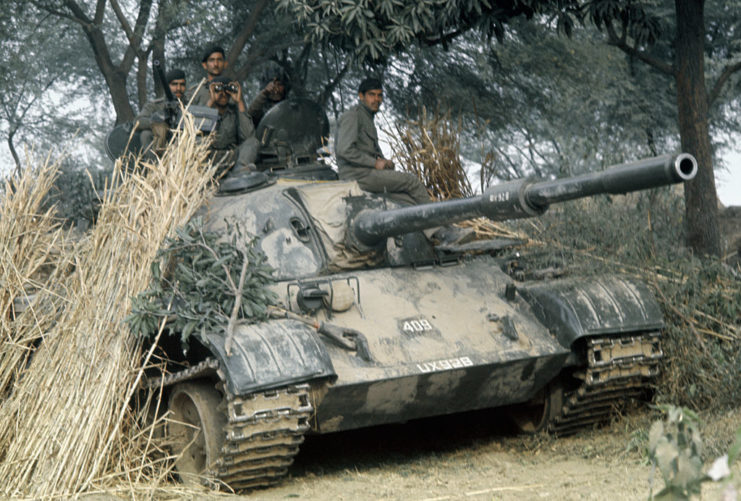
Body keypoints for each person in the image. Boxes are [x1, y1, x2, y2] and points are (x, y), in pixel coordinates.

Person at [335, 78, 429, 206]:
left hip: (368, 173)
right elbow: (344, 150)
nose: (376, 100)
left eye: (379, 95)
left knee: (407, 199)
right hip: (357, 175)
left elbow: (370, 150)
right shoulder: (353, 116)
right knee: (411, 181)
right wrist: (374, 163)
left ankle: (426, 222)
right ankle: (440, 219)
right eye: (371, 95)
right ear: (361, 96)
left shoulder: (367, 117)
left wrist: (384, 162)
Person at [205, 75, 258, 176]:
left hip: (233, 157)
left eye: (227, 90)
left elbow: (248, 136)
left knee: (253, 142)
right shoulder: (206, 111)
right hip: (211, 158)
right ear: (211, 92)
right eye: (218, 90)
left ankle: (240, 169)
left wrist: (239, 102)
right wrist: (211, 101)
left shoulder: (235, 111)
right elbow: (197, 134)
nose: (223, 94)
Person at [135, 68, 187, 152]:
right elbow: (138, 121)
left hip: (183, 145)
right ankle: (154, 163)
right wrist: (156, 123)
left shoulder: (189, 105)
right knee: (145, 135)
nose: (178, 88)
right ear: (167, 86)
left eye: (182, 84)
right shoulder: (154, 105)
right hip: (160, 145)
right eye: (174, 84)